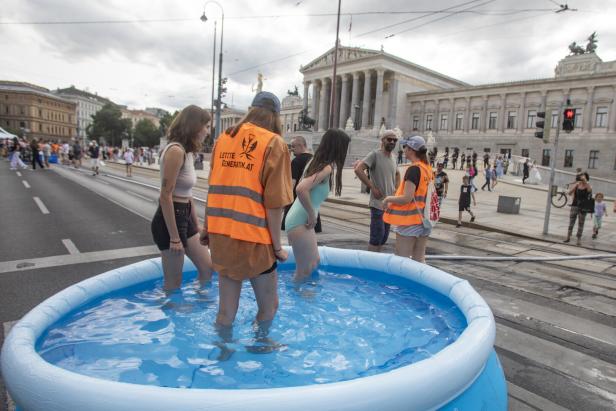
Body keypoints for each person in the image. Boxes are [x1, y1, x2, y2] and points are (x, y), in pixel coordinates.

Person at [201, 91, 293, 329]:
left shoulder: (223, 139)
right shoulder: (274, 143)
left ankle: (221, 360)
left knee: (225, 313)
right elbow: (275, 204)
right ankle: (261, 350)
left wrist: (207, 227)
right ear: (275, 116)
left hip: (221, 235)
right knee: (269, 307)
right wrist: (277, 247)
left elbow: (214, 186)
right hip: (254, 239)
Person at [151, 105, 213, 292]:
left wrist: (197, 225)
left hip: (184, 215)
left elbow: (188, 196)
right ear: (194, 126)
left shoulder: (187, 152)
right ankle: (173, 316)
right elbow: (165, 196)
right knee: (173, 285)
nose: (207, 131)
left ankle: (201, 308)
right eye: (206, 126)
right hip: (170, 221)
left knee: (207, 269)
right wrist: (175, 237)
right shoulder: (175, 151)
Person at [286, 129, 350, 281]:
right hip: (300, 221)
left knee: (313, 263)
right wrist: (311, 214)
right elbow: (301, 189)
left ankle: (302, 298)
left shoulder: (316, 162)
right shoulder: (325, 167)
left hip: (298, 219)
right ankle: (299, 300)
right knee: (305, 269)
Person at [382, 135, 433, 263]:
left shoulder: (414, 170)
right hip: (425, 220)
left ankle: (400, 284)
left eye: (406, 147)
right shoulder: (427, 168)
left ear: (411, 150)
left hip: (410, 221)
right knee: (419, 258)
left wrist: (388, 199)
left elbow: (407, 198)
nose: (404, 150)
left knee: (401, 259)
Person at [354, 130, 400, 252]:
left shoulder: (394, 158)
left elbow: (397, 174)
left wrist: (396, 190)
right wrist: (372, 187)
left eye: (394, 140)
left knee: (384, 238)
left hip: (389, 206)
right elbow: (359, 169)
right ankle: (370, 266)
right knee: (376, 237)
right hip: (377, 204)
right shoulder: (374, 155)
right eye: (389, 139)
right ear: (382, 140)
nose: (392, 142)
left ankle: (376, 261)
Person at [282, 135, 321, 233]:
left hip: (296, 202)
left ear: (301, 145)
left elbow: (293, 183)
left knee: (290, 228)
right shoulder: (314, 160)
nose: (291, 149)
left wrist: (285, 200)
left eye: (293, 146)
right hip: (311, 201)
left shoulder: (296, 161)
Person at [564, 173, 592, 246]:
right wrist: (570, 190)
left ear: (586, 178)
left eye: (583, 177)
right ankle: (568, 237)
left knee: (581, 223)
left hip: (583, 207)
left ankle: (578, 239)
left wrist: (585, 181)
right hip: (575, 205)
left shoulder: (588, 185)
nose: (581, 178)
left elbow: (589, 191)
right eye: (581, 177)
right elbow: (570, 193)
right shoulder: (577, 184)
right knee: (571, 222)